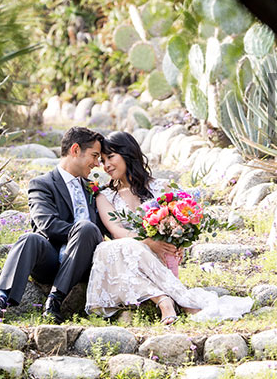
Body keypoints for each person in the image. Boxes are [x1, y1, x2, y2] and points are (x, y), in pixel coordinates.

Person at [86, 131, 253, 324]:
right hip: (128, 255)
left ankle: (180, 300)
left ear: (127, 153)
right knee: (107, 247)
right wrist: (148, 242)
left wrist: (178, 241)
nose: (106, 166)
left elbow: (183, 220)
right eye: (103, 160)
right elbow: (117, 231)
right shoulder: (105, 195)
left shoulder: (160, 188)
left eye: (111, 157)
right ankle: (164, 301)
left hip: (161, 256)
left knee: (124, 247)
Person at [0, 127, 106, 324]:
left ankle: (54, 301)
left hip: (86, 260)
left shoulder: (93, 188)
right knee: (29, 238)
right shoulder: (42, 184)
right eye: (94, 156)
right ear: (75, 150)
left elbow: (108, 224)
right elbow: (46, 224)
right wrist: (78, 233)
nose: (97, 163)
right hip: (51, 258)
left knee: (87, 228)